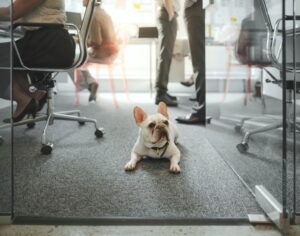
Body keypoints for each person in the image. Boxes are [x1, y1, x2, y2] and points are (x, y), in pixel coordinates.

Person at [0, 0, 75, 122]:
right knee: (9, 58)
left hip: (48, 43)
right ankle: (35, 95)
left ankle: (24, 99)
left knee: (5, 56)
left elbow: (12, 12)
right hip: (53, 42)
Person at [79, 0, 119, 102]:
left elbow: (96, 41)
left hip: (104, 53)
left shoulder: (93, 15)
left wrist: (79, 40)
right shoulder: (102, 12)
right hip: (112, 51)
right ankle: (89, 83)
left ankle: (90, 83)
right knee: (79, 58)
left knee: (74, 59)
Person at [176, 0, 206, 124]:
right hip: (197, 8)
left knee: (198, 59)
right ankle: (202, 105)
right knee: (199, 58)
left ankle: (200, 111)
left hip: (196, 7)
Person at [155, 0, 180, 107]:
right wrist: (171, 14)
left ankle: (162, 91)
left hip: (166, 12)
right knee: (165, 56)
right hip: (167, 12)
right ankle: (161, 94)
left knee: (165, 55)